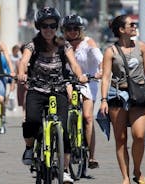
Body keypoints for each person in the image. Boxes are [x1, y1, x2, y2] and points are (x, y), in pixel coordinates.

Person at [17, 7, 88, 183]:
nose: (48, 29)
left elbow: (74, 63)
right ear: (38, 27)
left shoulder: (64, 45)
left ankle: (64, 170)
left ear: (57, 27)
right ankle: (29, 147)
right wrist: (22, 73)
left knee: (63, 129)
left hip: (59, 89)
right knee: (32, 121)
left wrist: (80, 75)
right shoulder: (32, 45)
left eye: (52, 25)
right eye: (44, 25)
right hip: (37, 89)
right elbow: (24, 61)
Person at [100, 14, 145, 184]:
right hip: (118, 95)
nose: (134, 27)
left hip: (139, 94)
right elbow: (105, 77)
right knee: (121, 139)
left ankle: (137, 170)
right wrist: (103, 99)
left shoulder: (142, 47)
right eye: (131, 24)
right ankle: (125, 177)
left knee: (139, 136)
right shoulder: (110, 51)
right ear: (121, 30)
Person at [61, 14, 102, 170]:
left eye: (75, 28)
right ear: (64, 30)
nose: (72, 32)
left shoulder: (88, 42)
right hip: (69, 82)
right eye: (68, 29)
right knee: (68, 106)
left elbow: (100, 59)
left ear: (80, 29)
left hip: (88, 82)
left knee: (87, 117)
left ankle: (91, 156)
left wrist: (101, 71)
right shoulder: (62, 44)